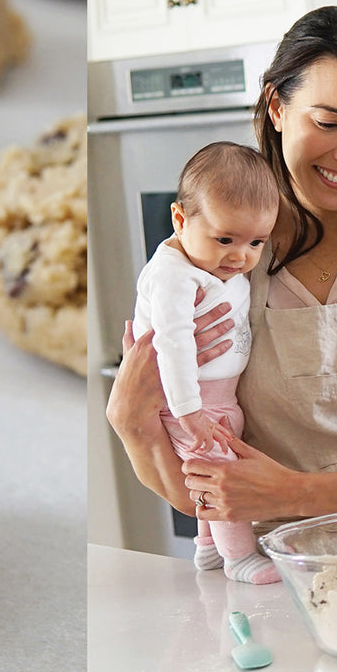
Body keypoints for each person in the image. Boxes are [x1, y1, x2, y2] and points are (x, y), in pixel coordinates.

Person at [107, 5, 337, 534]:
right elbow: (200, 491)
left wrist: (300, 494)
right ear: (276, 106)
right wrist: (132, 424)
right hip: (274, 579)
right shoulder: (217, 261)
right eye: (327, 123)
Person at [131, 141, 281, 584]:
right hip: (188, 402)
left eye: (257, 242)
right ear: (180, 219)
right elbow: (173, 345)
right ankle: (239, 557)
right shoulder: (174, 275)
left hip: (218, 399)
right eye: (225, 240)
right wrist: (188, 411)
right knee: (220, 477)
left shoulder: (215, 266)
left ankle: (209, 549)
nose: (241, 256)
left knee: (205, 474)